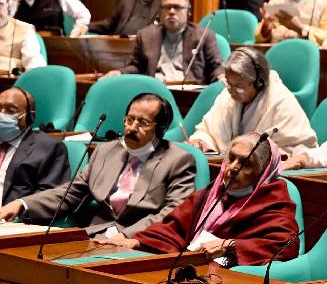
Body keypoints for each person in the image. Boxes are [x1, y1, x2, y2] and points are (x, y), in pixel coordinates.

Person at [0, 93, 196, 238]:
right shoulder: (106, 152)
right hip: (95, 236)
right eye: (129, 120)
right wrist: (21, 204)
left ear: (160, 128)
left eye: (143, 122)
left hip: (142, 242)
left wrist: (130, 235)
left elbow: (173, 211)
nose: (132, 127)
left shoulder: (178, 160)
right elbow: (70, 192)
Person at [102, 133, 298, 267]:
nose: (233, 167)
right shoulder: (212, 192)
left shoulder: (274, 200)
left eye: (246, 163)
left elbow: (284, 246)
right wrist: (137, 241)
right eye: (231, 158)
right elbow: (174, 228)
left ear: (263, 172)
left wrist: (229, 246)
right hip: (192, 269)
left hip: (233, 280)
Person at [189, 47, 316, 157]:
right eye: (229, 84)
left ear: (259, 82)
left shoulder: (281, 101)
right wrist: (201, 142)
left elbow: (296, 147)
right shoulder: (227, 95)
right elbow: (208, 129)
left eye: (239, 87)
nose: (232, 91)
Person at [104, 0, 223, 85]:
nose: (171, 12)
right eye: (167, 7)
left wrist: (221, 77)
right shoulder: (146, 35)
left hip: (187, 91)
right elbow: (137, 66)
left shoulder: (204, 35)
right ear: (160, 12)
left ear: (188, 12)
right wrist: (119, 72)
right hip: (155, 88)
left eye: (177, 7)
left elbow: (215, 66)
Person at [0, 87, 69, 204]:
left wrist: (19, 207)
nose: (1, 115)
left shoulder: (49, 148)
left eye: (11, 110)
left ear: (29, 116)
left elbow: (52, 195)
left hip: (12, 219)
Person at [0, 0, 45, 75]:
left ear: (7, 6)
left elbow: (34, 64)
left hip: (11, 84)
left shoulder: (25, 30)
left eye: (0, 4)